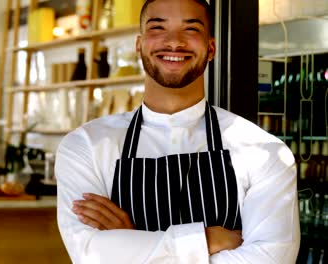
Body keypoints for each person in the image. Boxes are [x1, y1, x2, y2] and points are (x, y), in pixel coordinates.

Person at [55, 0, 300, 262]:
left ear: (211, 48)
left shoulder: (264, 151)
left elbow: (271, 259)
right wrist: (208, 239)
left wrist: (132, 244)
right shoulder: (85, 146)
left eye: (191, 29)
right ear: (139, 45)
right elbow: (90, 255)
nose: (174, 42)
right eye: (158, 28)